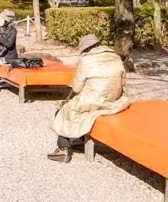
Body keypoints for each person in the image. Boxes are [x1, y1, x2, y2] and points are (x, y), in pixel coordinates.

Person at [48, 34, 130, 163]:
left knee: (63, 111)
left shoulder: (86, 60)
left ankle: (63, 149)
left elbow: (76, 88)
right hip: (115, 101)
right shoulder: (116, 57)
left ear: (85, 48)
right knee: (77, 111)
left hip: (93, 101)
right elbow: (123, 82)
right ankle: (80, 140)